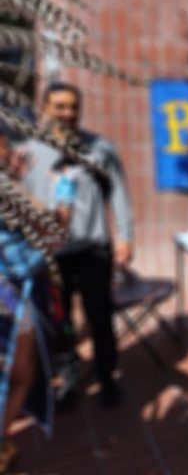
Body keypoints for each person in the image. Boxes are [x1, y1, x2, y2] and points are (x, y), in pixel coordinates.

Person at [21, 82, 134, 408]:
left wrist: (126, 237)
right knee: (61, 321)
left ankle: (107, 377)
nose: (68, 114)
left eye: (73, 107)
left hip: (94, 248)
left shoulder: (101, 148)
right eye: (59, 107)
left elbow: (120, 194)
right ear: (44, 108)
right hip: (52, 255)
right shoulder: (28, 153)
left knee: (100, 317)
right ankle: (68, 381)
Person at [0, 127, 74, 471]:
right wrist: (64, 188)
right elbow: (55, 233)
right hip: (11, 294)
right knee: (21, 373)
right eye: (4, 149)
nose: (13, 153)